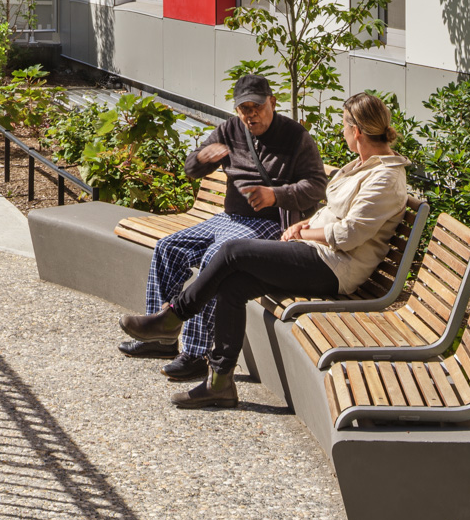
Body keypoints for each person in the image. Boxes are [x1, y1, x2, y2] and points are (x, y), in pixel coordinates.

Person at [121, 93, 411, 409]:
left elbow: (349, 233)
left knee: (233, 252)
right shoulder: (362, 165)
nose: (342, 132)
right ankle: (220, 384)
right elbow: (334, 214)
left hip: (334, 267)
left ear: (357, 131)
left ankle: (174, 316)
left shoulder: (385, 177)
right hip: (317, 254)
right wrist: (306, 227)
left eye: (344, 125)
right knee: (232, 286)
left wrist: (303, 229)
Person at [123, 72, 328, 382]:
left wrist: (276, 195)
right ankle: (161, 339)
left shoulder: (296, 137)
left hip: (269, 224)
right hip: (228, 219)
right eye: (244, 108)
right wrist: (201, 158)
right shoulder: (230, 130)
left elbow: (316, 186)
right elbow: (191, 169)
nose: (251, 114)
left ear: (272, 102)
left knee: (214, 258)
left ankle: (194, 355)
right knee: (169, 247)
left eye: (257, 107)